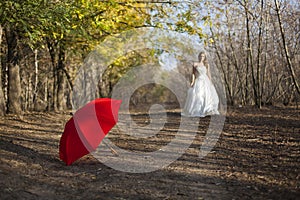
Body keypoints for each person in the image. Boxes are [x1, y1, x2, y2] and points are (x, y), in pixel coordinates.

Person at [182, 51, 219, 117]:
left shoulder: (206, 65)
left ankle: (206, 110)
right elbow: (193, 74)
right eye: (200, 56)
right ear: (198, 56)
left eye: (203, 56)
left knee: (207, 95)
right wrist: (192, 82)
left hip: (205, 81)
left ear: (204, 57)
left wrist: (210, 82)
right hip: (198, 81)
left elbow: (208, 74)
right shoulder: (195, 64)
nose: (201, 57)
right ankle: (197, 110)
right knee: (198, 95)